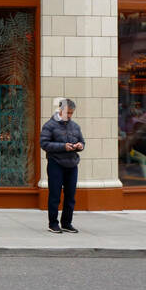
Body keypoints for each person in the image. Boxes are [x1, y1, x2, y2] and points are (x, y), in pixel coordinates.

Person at [40, 96, 85, 234]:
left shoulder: (75, 126)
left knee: (70, 195)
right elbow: (44, 144)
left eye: (71, 113)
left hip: (72, 163)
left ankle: (66, 223)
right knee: (55, 194)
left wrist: (80, 146)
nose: (69, 115)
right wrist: (63, 147)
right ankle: (53, 223)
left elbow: (82, 142)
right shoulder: (49, 125)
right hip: (56, 163)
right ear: (60, 110)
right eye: (67, 112)